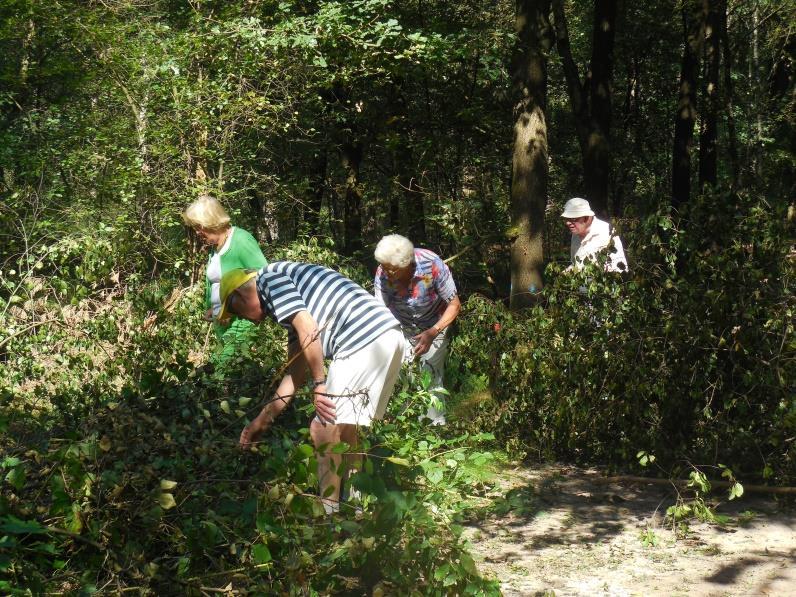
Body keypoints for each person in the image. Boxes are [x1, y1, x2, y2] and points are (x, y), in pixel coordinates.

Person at [218, 263, 404, 513]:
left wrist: (320, 384)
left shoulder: (268, 280)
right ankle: (356, 510)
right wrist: (261, 422)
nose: (245, 320)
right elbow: (295, 374)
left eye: (237, 313)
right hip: (386, 335)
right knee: (346, 432)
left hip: (362, 338)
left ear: (239, 296)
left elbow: (309, 329)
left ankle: (329, 518)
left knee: (322, 427)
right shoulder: (287, 306)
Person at [373, 234, 461, 425]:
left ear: (407, 263)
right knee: (404, 376)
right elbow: (380, 310)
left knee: (430, 376)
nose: (386, 273)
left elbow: (454, 305)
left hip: (434, 326)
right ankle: (407, 425)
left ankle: (434, 426)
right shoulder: (384, 270)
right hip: (401, 327)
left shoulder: (432, 265)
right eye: (384, 267)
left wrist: (433, 332)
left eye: (392, 270)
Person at [182, 195, 267, 367]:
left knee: (220, 368)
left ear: (211, 221)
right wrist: (211, 307)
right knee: (234, 372)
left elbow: (264, 275)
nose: (197, 232)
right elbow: (216, 283)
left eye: (199, 226)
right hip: (221, 323)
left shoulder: (241, 240)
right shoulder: (214, 249)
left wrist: (231, 310)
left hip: (242, 322)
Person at [561, 198, 628, 272]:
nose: (568, 223)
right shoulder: (575, 235)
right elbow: (575, 264)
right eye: (567, 219)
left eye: (573, 219)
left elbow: (620, 269)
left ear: (586, 218)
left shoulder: (607, 231)